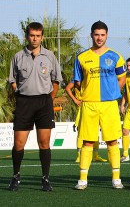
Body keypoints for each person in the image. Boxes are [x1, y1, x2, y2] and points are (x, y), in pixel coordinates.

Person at [8, 22, 63, 191]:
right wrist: (19, 93)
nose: (35, 38)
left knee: (44, 143)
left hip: (44, 103)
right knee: (18, 143)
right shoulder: (18, 56)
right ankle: (16, 176)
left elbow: (57, 80)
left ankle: (45, 179)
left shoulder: (49, 56)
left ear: (42, 37)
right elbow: (12, 80)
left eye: (38, 36)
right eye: (32, 35)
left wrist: (50, 98)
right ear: (27, 36)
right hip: (24, 102)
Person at [73, 20, 126, 190]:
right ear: (91, 36)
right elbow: (77, 82)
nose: (99, 38)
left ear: (107, 35)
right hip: (89, 104)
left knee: (112, 141)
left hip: (109, 105)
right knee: (87, 142)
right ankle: (82, 179)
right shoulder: (81, 57)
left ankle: (116, 178)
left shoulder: (115, 56)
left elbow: (122, 78)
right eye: (96, 34)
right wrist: (88, 94)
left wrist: (112, 92)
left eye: (102, 35)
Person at [65, 81, 107, 163]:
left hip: (92, 106)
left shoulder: (90, 77)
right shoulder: (76, 78)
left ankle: (95, 155)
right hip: (82, 108)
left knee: (95, 132)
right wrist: (75, 100)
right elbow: (67, 88)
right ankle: (79, 155)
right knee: (81, 133)